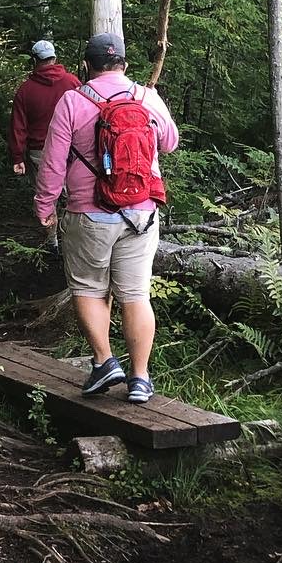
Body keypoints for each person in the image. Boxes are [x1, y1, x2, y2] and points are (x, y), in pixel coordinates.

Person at [34, 32, 178, 403]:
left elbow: (53, 161)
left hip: (90, 213)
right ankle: (141, 379)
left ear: (85, 66)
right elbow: (170, 142)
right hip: (142, 213)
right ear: (125, 65)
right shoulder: (146, 97)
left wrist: (45, 204)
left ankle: (103, 361)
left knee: (88, 288)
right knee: (135, 294)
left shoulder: (73, 100)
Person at [8, 39, 78, 180]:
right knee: (71, 196)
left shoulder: (25, 90)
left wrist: (17, 157)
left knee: (44, 198)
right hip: (70, 149)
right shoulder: (72, 82)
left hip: (39, 151)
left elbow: (18, 127)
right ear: (54, 58)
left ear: (34, 60)